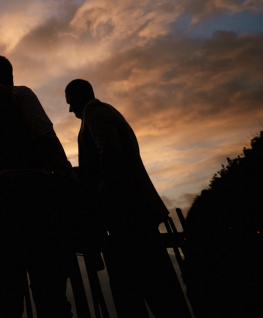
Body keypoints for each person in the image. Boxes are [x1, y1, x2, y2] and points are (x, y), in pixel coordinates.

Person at [0, 56, 74, 318]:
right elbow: (44, 134)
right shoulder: (20, 94)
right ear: (10, 74)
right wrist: (63, 173)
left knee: (6, 293)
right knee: (49, 287)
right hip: (35, 196)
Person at [65, 79, 190, 318]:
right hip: (130, 211)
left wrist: (110, 207)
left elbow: (110, 154)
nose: (70, 110)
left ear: (81, 96)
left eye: (70, 102)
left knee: (145, 287)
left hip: (127, 214)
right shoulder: (102, 112)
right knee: (149, 286)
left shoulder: (94, 111)